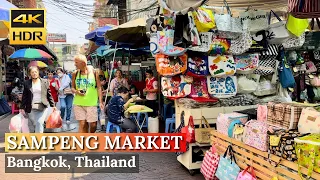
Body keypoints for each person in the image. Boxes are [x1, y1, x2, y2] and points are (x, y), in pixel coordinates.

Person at [71, 54, 104, 133]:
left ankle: (91, 136)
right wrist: (76, 91)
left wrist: (101, 102)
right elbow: (72, 88)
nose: (74, 64)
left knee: (93, 124)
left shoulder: (94, 72)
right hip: (79, 103)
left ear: (83, 63)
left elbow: (99, 87)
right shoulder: (75, 74)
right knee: (83, 124)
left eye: (76, 62)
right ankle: (84, 142)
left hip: (91, 103)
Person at [20, 66, 56, 133]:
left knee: (39, 122)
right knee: (35, 124)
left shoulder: (44, 82)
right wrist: (22, 107)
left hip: (42, 106)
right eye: (32, 72)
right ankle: (38, 136)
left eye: (35, 72)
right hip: (31, 107)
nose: (34, 73)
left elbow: (49, 94)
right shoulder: (27, 83)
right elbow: (25, 95)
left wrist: (53, 105)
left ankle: (38, 140)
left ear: (38, 72)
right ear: (30, 74)